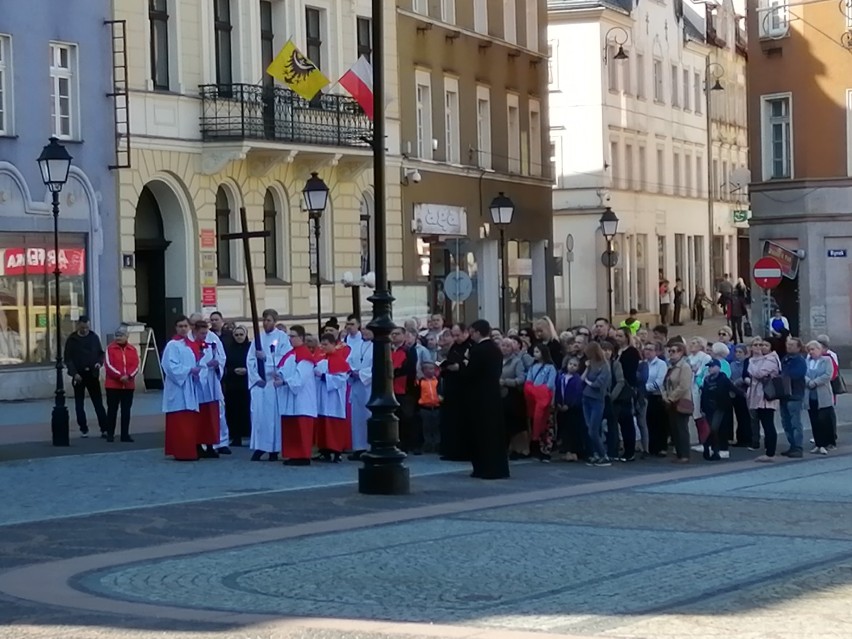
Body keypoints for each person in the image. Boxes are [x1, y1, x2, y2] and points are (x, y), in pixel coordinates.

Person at [465, 319, 509, 479]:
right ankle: (498, 467)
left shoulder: (478, 350)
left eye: (472, 332)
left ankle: (484, 468)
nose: (471, 335)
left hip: (479, 397)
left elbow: (471, 373)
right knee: (494, 433)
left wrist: (463, 364)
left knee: (481, 433)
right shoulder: (495, 350)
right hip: (493, 395)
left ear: (477, 332)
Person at [247, 310, 290, 461]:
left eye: (269, 320)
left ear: (275, 321)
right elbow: (250, 359)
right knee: (259, 417)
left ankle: (274, 449)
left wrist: (267, 359)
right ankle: (260, 446)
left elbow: (285, 359)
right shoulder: (258, 338)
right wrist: (256, 377)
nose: (266, 323)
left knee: (273, 418)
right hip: (261, 384)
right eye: (264, 320)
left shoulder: (282, 338)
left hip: (273, 383)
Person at [161, 316, 201, 461]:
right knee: (180, 422)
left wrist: (196, 372)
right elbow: (170, 366)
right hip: (178, 387)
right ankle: (182, 451)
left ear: (189, 327)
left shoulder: (190, 345)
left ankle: (189, 450)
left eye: (185, 326)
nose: (183, 328)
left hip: (190, 385)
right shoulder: (172, 345)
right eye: (180, 326)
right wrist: (189, 370)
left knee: (189, 421)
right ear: (176, 328)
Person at [278, 325, 318, 466]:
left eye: (293, 336)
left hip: (302, 399)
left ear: (301, 338)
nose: (290, 339)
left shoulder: (305, 356)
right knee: (291, 427)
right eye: (289, 336)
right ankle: (293, 454)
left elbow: (300, 378)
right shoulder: (290, 355)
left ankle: (303, 455)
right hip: (290, 396)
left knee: (301, 427)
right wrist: (279, 375)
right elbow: (283, 369)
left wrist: (284, 381)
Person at [64, 315, 108, 438]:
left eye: (87, 327)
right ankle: (83, 428)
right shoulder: (72, 340)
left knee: (98, 402)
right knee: (79, 403)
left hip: (92, 374)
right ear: (78, 325)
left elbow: (100, 353)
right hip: (79, 375)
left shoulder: (94, 337)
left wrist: (99, 363)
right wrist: (74, 373)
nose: (85, 330)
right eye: (83, 327)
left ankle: (104, 428)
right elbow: (68, 359)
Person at [314, 333, 351, 463]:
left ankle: (336, 452)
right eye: (321, 344)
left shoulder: (340, 361)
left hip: (335, 398)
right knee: (323, 423)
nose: (322, 347)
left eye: (326, 344)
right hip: (323, 397)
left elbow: (341, 379)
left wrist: (324, 377)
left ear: (333, 345)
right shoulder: (321, 360)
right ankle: (324, 451)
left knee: (334, 425)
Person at [439, 323, 472, 461]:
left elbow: (471, 367)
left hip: (464, 391)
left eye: (458, 335)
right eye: (454, 335)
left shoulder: (471, 347)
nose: (456, 338)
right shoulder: (455, 347)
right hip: (451, 389)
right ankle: (451, 450)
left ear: (465, 333)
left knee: (462, 422)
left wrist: (459, 367)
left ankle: (463, 452)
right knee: (450, 422)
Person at [745, 337, 781, 462]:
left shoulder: (771, 359)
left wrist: (752, 362)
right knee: (764, 422)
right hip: (759, 394)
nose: (762, 347)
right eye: (761, 345)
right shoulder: (762, 359)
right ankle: (768, 449)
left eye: (765, 345)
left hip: (766, 395)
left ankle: (770, 452)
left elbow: (758, 373)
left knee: (768, 423)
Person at [103, 325, 139, 443]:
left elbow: (136, 365)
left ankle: (125, 434)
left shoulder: (132, 349)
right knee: (112, 410)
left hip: (128, 385)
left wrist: (128, 376)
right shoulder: (110, 349)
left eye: (121, 335)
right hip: (113, 385)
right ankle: (110, 434)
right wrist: (120, 376)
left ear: (126, 337)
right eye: (117, 335)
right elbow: (108, 365)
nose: (118, 338)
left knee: (126, 410)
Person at [192, 320, 222, 459]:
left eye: (206, 333)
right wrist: (205, 364)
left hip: (211, 381)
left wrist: (217, 365)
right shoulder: (190, 344)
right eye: (202, 333)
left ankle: (210, 445)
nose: (205, 336)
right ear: (195, 331)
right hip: (198, 384)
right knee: (199, 416)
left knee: (211, 415)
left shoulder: (212, 341)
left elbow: (221, 357)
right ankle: (197, 445)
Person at [524, 344, 557, 462]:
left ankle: (545, 450)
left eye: (537, 352)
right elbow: (528, 381)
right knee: (534, 423)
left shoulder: (550, 367)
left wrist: (541, 392)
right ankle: (535, 447)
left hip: (545, 399)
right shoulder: (532, 367)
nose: (535, 354)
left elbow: (550, 384)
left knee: (545, 425)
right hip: (534, 399)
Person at [662, 341, 693, 463]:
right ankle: (679, 453)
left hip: (681, 400)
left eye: (674, 351)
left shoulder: (684, 367)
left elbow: (683, 386)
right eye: (670, 351)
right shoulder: (671, 367)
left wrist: (671, 397)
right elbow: (665, 383)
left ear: (681, 352)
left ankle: (685, 454)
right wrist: (665, 396)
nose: (671, 354)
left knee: (681, 428)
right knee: (674, 428)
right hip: (671, 401)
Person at [582, 342, 612, 466]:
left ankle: (603, 455)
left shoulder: (605, 366)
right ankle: (596, 454)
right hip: (586, 398)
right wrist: (587, 368)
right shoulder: (591, 364)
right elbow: (582, 378)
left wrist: (589, 381)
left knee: (593, 430)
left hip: (597, 399)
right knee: (590, 428)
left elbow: (598, 384)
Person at [346, 326, 373, 460]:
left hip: (369, 386)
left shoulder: (377, 347)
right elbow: (348, 361)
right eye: (364, 330)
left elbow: (377, 366)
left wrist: (362, 374)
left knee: (368, 415)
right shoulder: (357, 345)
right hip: (357, 385)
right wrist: (352, 371)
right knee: (357, 417)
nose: (365, 332)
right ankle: (358, 447)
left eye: (368, 330)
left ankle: (369, 447)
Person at [223, 326, 251, 447]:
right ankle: (236, 436)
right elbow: (224, 365)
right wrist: (232, 370)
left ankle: (249, 434)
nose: (239, 337)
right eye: (237, 335)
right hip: (233, 385)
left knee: (247, 410)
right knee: (233, 411)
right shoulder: (229, 349)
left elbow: (254, 364)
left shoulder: (250, 349)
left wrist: (247, 370)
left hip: (247, 384)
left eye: (241, 334)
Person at [805, 340, 835, 455]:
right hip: (810, 395)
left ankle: (825, 443)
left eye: (813, 349)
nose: (811, 352)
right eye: (809, 350)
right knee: (814, 420)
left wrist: (815, 382)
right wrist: (808, 381)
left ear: (819, 350)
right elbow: (804, 374)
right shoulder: (807, 361)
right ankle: (818, 444)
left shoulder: (826, 360)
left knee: (823, 420)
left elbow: (828, 374)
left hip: (822, 394)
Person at [700, 359, 733, 461]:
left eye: (712, 366)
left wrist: (744, 395)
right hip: (708, 407)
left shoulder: (723, 378)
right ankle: (709, 448)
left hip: (720, 407)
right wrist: (702, 407)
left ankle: (715, 450)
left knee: (714, 428)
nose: (710, 368)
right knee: (710, 428)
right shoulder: (707, 380)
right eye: (709, 367)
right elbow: (704, 395)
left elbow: (733, 388)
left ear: (718, 367)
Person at [499, 338, 527, 457]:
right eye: (503, 345)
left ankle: (518, 449)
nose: (504, 348)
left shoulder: (517, 361)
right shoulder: (497, 360)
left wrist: (506, 382)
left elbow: (521, 378)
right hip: (499, 395)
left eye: (508, 346)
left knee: (514, 424)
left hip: (513, 395)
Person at [779, 337, 807, 458]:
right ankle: (792, 445)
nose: (788, 347)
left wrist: (783, 375)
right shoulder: (785, 359)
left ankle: (798, 447)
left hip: (795, 394)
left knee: (795, 422)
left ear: (798, 347)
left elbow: (797, 374)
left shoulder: (800, 360)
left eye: (792, 345)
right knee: (786, 422)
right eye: (788, 344)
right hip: (784, 395)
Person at [555, 356, 585, 461]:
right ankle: (566, 450)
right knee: (563, 429)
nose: (572, 367)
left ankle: (573, 452)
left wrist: (569, 405)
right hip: (561, 406)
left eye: (575, 365)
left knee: (572, 430)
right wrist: (558, 403)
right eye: (570, 364)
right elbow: (558, 390)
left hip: (573, 409)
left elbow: (576, 394)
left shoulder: (577, 379)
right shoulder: (561, 376)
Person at [416, 361, 442, 453]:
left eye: (433, 369)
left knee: (436, 427)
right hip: (425, 407)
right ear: (424, 370)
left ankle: (437, 445)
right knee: (426, 427)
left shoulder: (437, 381)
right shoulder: (420, 381)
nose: (432, 371)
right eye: (429, 369)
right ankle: (428, 444)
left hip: (436, 407)